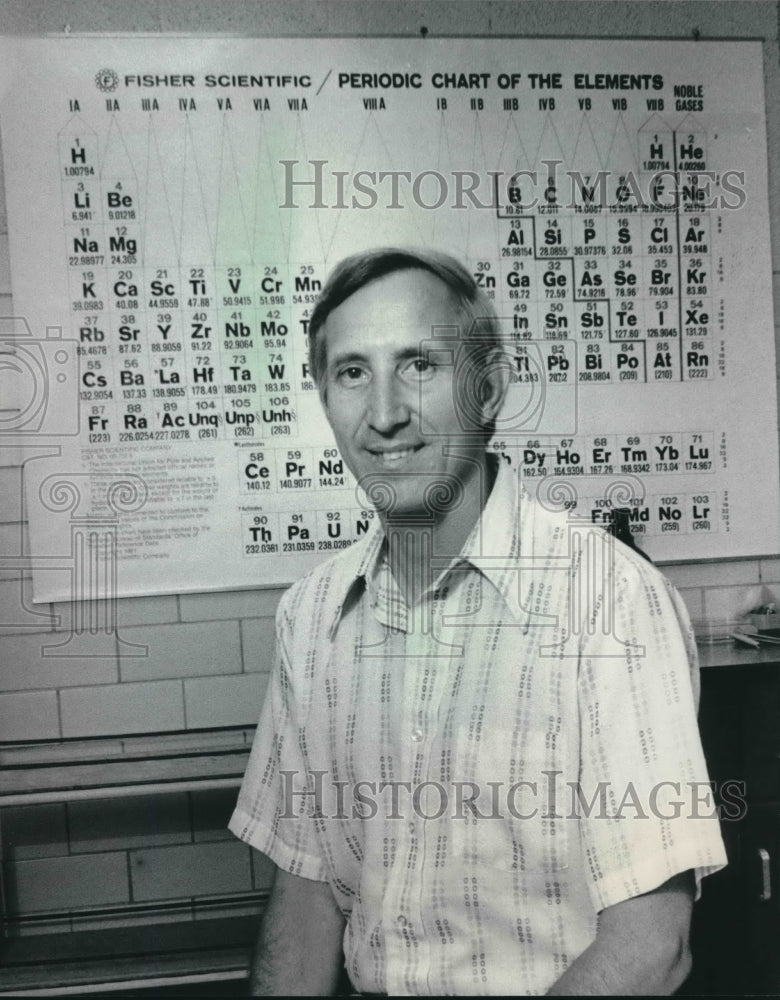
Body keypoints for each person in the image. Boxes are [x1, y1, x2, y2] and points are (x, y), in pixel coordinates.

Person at [229, 247, 727, 996]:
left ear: (488, 390)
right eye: (353, 373)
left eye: (421, 366)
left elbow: (652, 946)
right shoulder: (311, 618)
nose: (386, 413)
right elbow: (304, 907)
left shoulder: (610, 599)